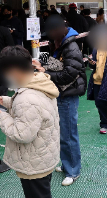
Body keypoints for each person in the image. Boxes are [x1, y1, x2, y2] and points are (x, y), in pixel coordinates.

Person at [0, 46, 68, 198]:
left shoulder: (27, 97)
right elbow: (32, 110)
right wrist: (7, 103)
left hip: (33, 159)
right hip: (44, 154)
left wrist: (2, 114)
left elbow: (22, 133)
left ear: (14, 71)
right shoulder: (39, 82)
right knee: (43, 195)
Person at [33, 14, 86, 186]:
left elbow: (69, 73)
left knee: (69, 134)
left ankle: (73, 170)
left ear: (58, 30)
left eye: (50, 33)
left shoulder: (71, 47)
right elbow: (59, 65)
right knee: (62, 133)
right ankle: (66, 164)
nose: (48, 36)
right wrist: (43, 64)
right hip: (61, 93)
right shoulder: (62, 42)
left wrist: (45, 73)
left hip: (68, 94)